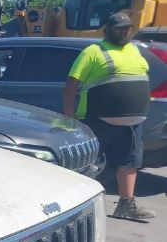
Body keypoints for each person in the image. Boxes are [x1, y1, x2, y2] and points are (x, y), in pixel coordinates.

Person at [63, 12, 155, 221]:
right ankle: (71, 207)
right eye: (119, 28)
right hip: (97, 120)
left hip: (132, 123)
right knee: (85, 164)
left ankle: (126, 205)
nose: (124, 31)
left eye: (127, 28)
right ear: (107, 30)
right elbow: (71, 83)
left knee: (129, 163)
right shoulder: (93, 52)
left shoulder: (134, 50)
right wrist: (70, 116)